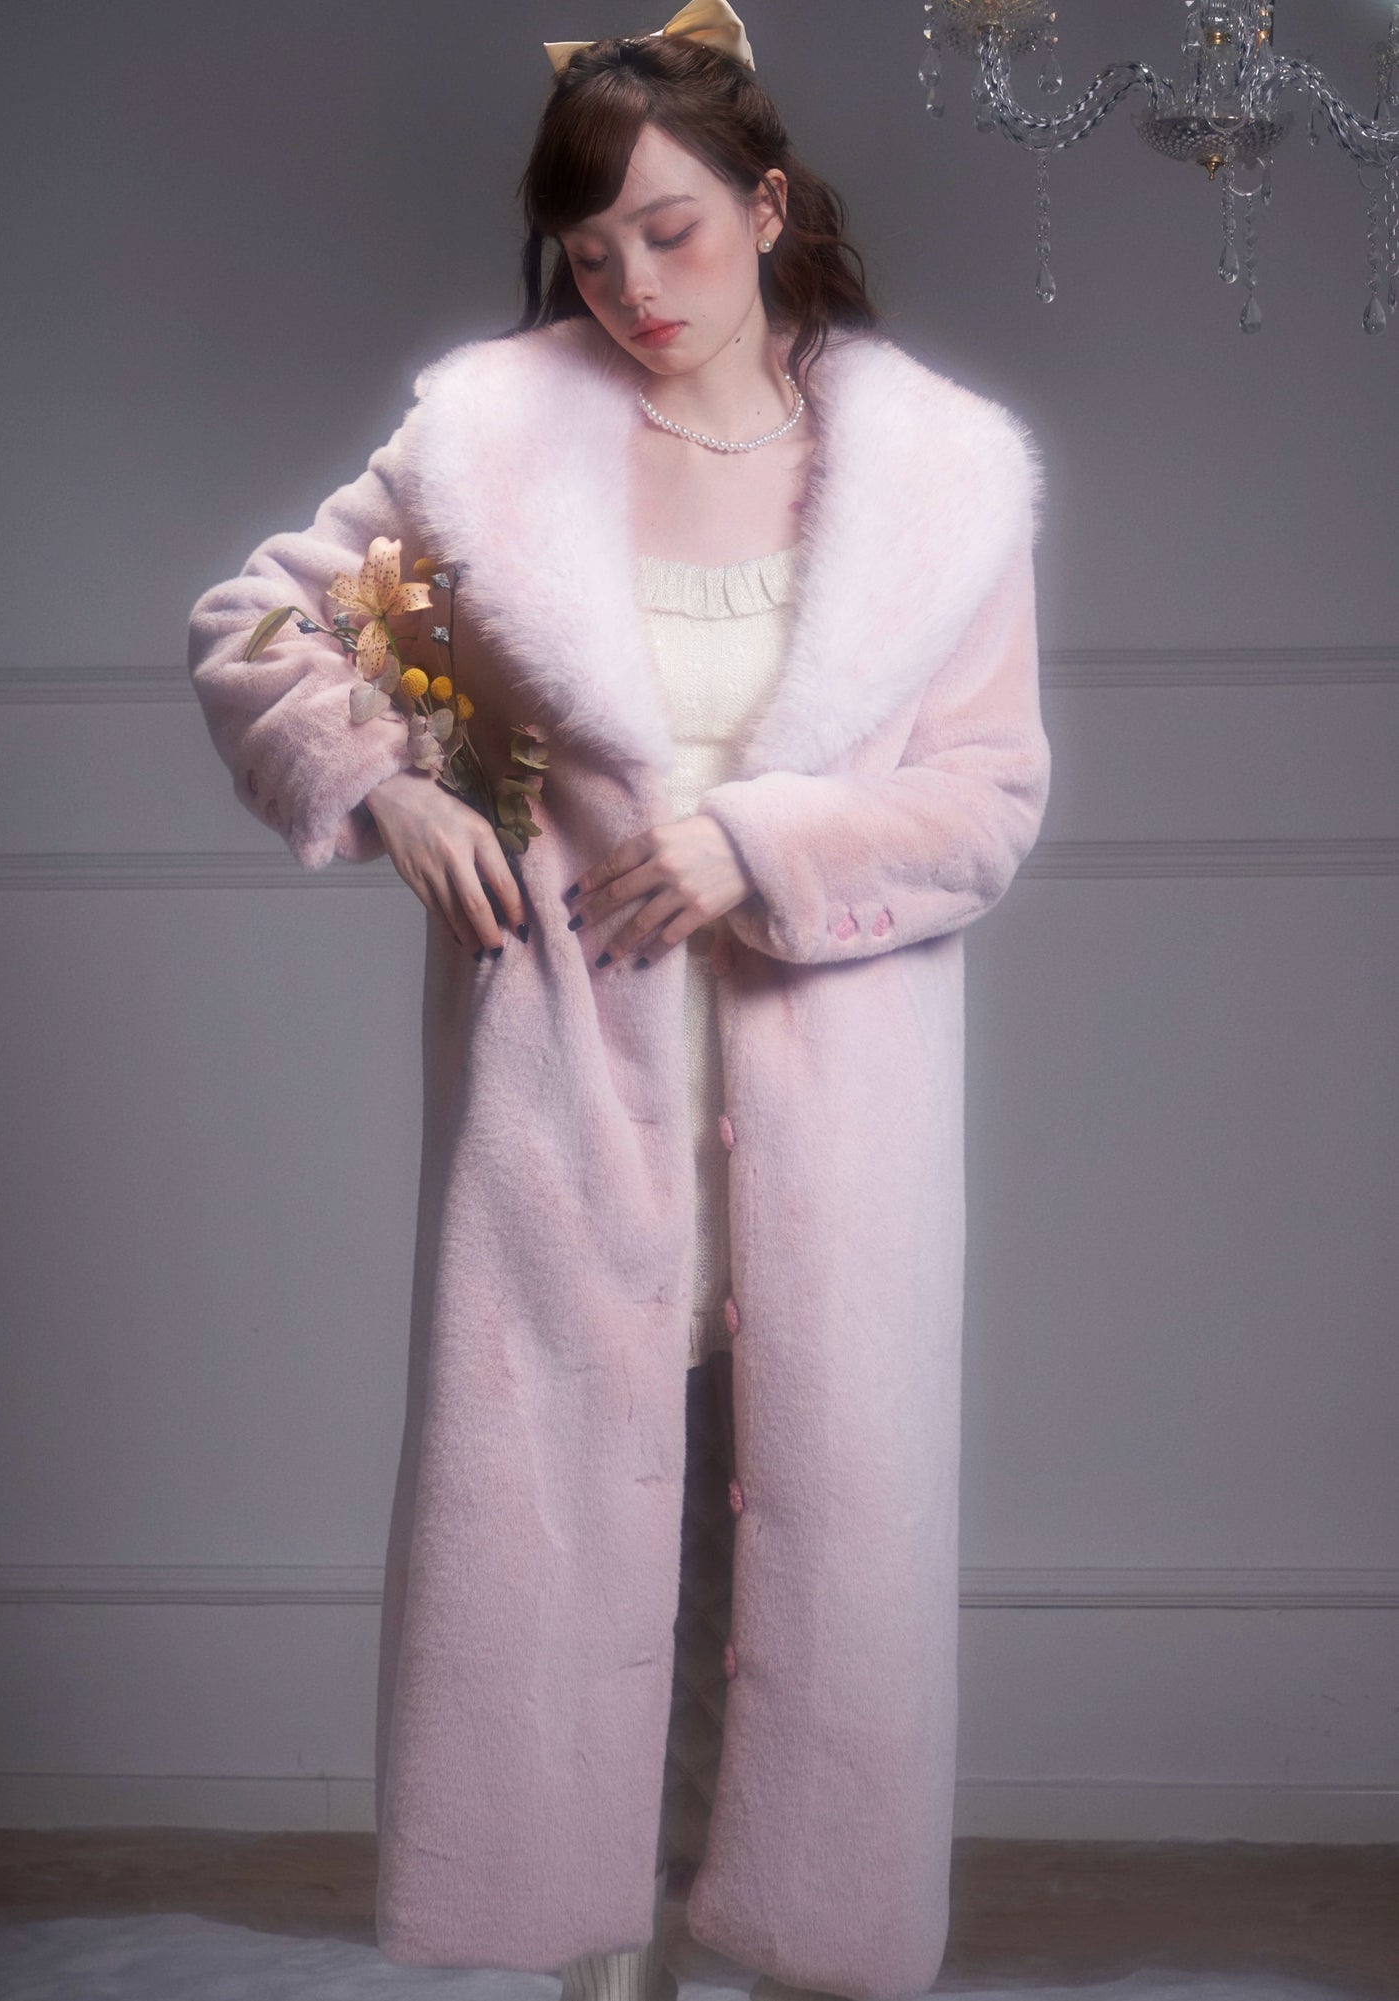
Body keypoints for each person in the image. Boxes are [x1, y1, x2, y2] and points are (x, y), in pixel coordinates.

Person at [185, 5, 1051, 1998]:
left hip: (838, 1133)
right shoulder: (491, 439)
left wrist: (764, 842)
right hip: (569, 1105)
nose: (634, 287)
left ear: (768, 207)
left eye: (670, 232)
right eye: (590, 255)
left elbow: (989, 799)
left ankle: (796, 1958)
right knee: (571, 1572)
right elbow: (261, 621)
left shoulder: (936, 478)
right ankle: (599, 1974)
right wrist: (389, 784)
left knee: (803, 1582)